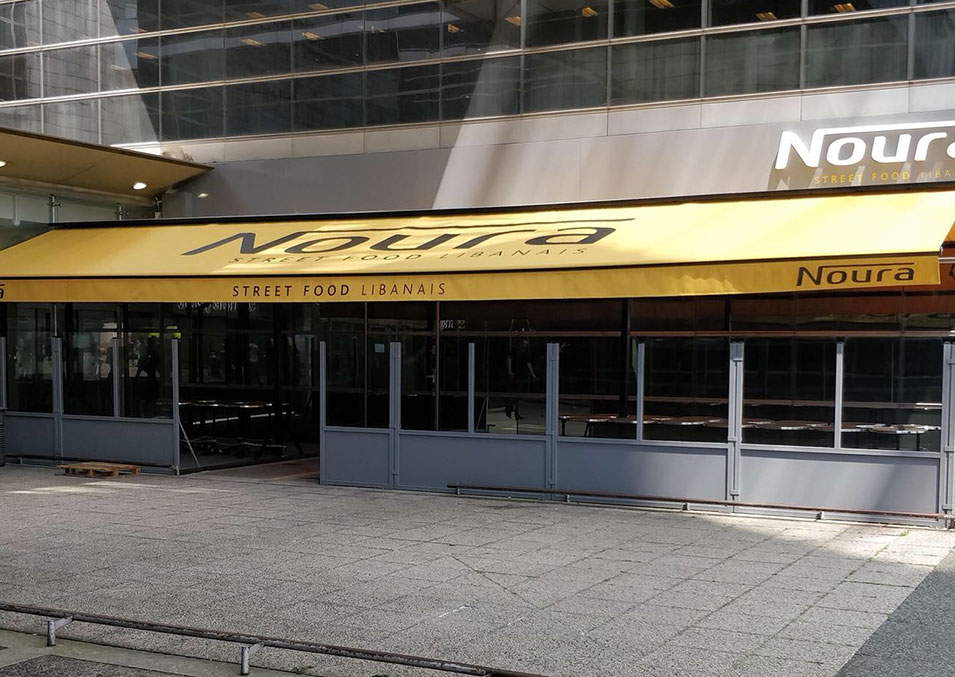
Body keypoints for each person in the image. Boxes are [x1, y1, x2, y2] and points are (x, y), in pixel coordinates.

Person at [504, 335, 536, 419]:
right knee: (516, 393)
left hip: (523, 374)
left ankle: (515, 412)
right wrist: (509, 370)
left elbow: (528, 363)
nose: (525, 346)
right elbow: (509, 359)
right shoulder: (515, 351)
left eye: (526, 344)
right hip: (516, 374)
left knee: (520, 394)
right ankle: (509, 408)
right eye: (524, 344)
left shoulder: (526, 353)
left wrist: (532, 373)